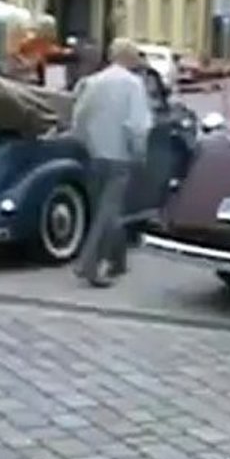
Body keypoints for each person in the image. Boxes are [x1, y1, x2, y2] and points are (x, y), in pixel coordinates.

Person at [71, 38, 153, 287]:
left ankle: (118, 261)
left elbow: (79, 117)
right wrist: (139, 153)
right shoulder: (132, 84)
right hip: (120, 155)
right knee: (110, 212)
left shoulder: (93, 82)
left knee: (105, 209)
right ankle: (89, 265)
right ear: (129, 58)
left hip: (95, 154)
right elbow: (137, 125)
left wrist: (86, 143)